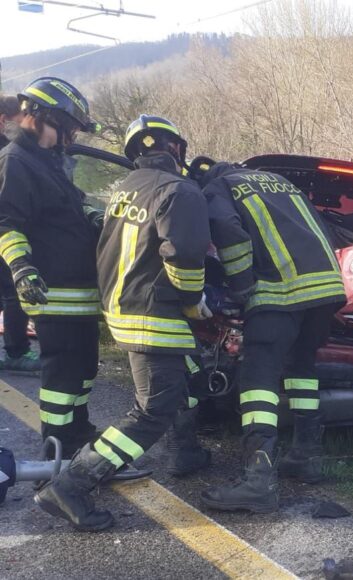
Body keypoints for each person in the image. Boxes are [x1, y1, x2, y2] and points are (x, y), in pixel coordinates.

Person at [33, 114, 212, 531]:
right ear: (176, 148)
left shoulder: (125, 190)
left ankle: (186, 451)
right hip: (154, 316)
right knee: (152, 411)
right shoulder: (179, 190)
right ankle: (72, 485)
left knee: (186, 375)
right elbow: (184, 255)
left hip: (123, 310)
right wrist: (193, 303)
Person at [194, 159, 345, 514]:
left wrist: (241, 285)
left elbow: (228, 232)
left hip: (279, 292)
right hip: (326, 290)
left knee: (257, 380)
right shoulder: (279, 181)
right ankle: (306, 456)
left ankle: (258, 480)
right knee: (301, 369)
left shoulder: (219, 188)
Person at [0, 78, 101, 458]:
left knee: (84, 369)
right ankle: (56, 451)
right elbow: (6, 224)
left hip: (79, 291)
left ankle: (79, 433)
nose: (71, 136)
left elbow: (74, 203)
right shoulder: (15, 161)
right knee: (62, 374)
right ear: (42, 117)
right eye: (68, 127)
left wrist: (97, 217)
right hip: (53, 290)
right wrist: (21, 267)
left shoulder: (49, 160)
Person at [0, 95, 38, 373]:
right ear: (4, 120)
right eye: (19, 120)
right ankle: (16, 351)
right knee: (14, 292)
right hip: (5, 232)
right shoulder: (10, 153)